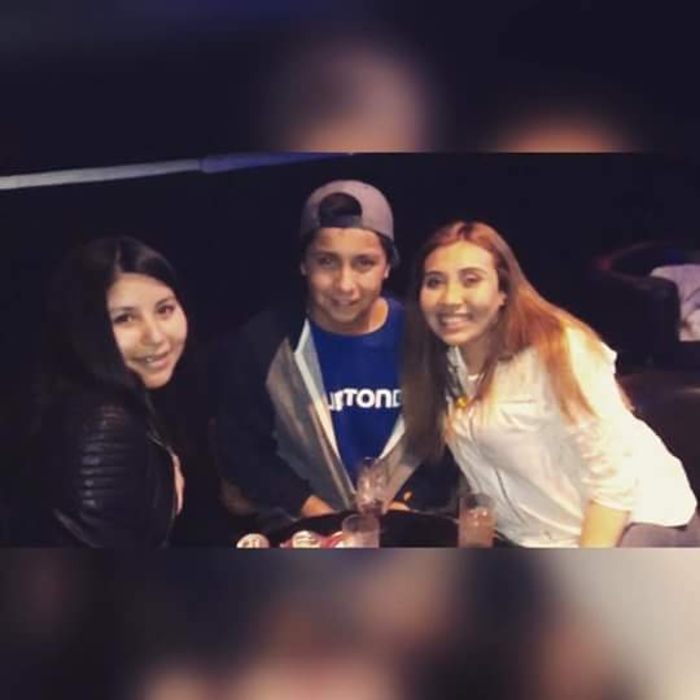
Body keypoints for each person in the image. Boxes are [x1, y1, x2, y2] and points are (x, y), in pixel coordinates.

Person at [402, 220, 699, 547]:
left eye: (471, 280)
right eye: (435, 282)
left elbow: (615, 483)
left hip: (632, 522)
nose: (449, 298)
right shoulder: (442, 365)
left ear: (503, 292)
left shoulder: (557, 351)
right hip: (536, 539)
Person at [215, 180, 458, 526]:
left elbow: (454, 441)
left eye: (364, 263)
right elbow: (241, 448)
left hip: (408, 526)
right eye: (326, 261)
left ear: (387, 266)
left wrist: (411, 506)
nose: (345, 284)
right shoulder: (264, 342)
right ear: (304, 264)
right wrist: (313, 510)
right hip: (303, 530)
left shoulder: (427, 337)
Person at [16, 236, 216, 547]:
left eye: (165, 310)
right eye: (125, 318)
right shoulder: (103, 425)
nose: (155, 336)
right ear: (85, 328)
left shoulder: (129, 399)